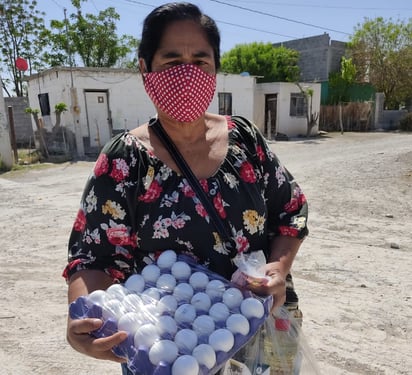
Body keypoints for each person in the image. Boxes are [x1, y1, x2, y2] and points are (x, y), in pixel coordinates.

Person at [63, 2, 308, 374]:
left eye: (200, 61)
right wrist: (83, 316)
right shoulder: (126, 160)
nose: (186, 74)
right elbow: (93, 257)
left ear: (215, 70)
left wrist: (277, 267)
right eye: (172, 60)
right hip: (170, 348)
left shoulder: (245, 140)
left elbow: (290, 212)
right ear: (146, 68)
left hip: (261, 331)